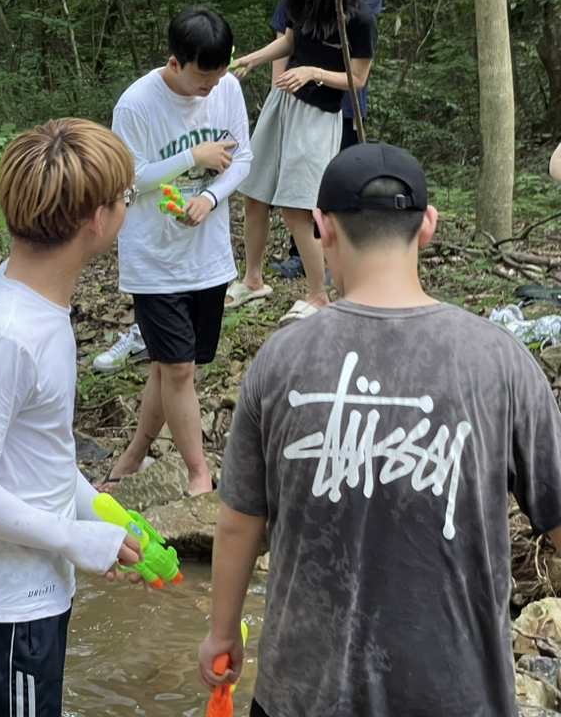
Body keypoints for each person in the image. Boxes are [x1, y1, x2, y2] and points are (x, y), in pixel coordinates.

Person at [197, 143, 561, 717]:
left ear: (322, 227)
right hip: (461, 697)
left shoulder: (280, 360)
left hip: (304, 698)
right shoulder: (501, 361)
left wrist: (222, 633)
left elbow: (241, 520)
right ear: (428, 226)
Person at [0, 118, 145, 717]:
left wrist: (99, 515)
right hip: (4, 605)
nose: (129, 205)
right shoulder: (9, 332)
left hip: (17, 592)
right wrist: (72, 538)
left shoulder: (34, 296)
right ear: (97, 219)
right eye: (126, 196)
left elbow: (36, 450)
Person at [95, 7, 251, 498]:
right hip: (155, 259)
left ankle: (133, 457)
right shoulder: (136, 105)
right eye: (204, 76)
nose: (212, 85)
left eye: (219, 73)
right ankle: (199, 475)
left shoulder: (227, 87)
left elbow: (242, 157)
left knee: (171, 366)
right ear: (175, 63)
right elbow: (128, 177)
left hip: (208, 257)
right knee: (179, 368)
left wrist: (210, 197)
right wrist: (192, 158)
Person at [227, 0, 376, 324]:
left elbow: (357, 79)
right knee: (254, 194)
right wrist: (254, 58)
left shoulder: (359, 19)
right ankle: (253, 280)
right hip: (282, 103)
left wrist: (313, 73)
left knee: (296, 209)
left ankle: (318, 296)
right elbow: (290, 42)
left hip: (318, 116)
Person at [269, 0, 385, 279]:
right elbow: (288, 34)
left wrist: (313, 72)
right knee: (302, 184)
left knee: (339, 181)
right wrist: (280, 85)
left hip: (342, 105)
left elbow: (350, 41)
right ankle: (302, 256)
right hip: (302, 97)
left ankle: (341, 254)